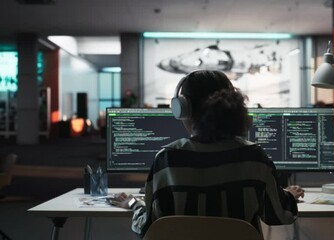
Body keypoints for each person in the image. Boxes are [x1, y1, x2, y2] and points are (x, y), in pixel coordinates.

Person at [110, 70, 304, 238]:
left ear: (183, 108)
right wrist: (288, 197)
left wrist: (134, 203)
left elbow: (147, 226)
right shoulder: (255, 156)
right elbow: (280, 216)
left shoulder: (167, 159)